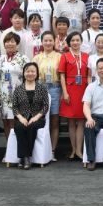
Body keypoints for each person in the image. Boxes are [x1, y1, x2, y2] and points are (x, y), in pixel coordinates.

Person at [12, 62, 49, 169]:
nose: (30, 73)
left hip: (38, 118)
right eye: (27, 71)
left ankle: (23, 158)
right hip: (22, 117)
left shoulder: (42, 88)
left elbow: (46, 106)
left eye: (33, 71)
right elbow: (14, 107)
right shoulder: (18, 89)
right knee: (19, 127)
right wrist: (20, 118)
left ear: (36, 73)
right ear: (24, 73)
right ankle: (26, 158)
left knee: (32, 127)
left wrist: (36, 117)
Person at [59, 32, 89, 161]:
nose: (75, 42)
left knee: (81, 120)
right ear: (69, 42)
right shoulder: (64, 56)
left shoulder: (87, 56)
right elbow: (62, 76)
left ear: (81, 42)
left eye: (77, 40)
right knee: (71, 121)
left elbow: (89, 74)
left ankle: (79, 150)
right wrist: (65, 92)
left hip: (83, 89)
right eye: (72, 40)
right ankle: (73, 149)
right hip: (70, 89)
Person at [32, 32, 62, 160]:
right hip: (40, 88)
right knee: (40, 118)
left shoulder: (60, 57)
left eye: (50, 40)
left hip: (55, 88)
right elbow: (32, 75)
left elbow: (62, 76)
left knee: (54, 120)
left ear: (54, 42)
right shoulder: (36, 58)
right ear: (42, 42)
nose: (48, 43)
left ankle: (52, 150)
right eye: (46, 40)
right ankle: (41, 150)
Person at [0, 32, 29, 139]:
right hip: (3, 95)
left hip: (18, 94)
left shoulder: (24, 59)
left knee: (16, 121)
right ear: (4, 44)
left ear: (17, 44)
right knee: (6, 122)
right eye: (7, 41)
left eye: (12, 41)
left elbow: (28, 77)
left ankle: (17, 146)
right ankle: (9, 147)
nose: (10, 44)